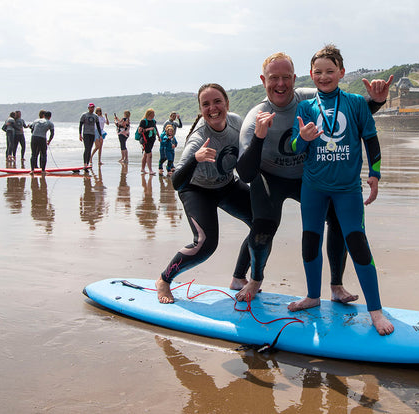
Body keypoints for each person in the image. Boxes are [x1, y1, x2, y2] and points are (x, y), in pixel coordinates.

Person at [233, 52, 392, 303]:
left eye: (286, 77)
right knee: (263, 228)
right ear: (263, 80)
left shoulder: (309, 98)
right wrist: (259, 137)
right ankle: (255, 279)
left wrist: (376, 102)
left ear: (296, 78)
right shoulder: (255, 117)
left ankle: (336, 286)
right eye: (274, 78)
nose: (281, 84)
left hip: (306, 178)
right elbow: (245, 174)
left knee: (339, 223)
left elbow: (350, 112)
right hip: (270, 177)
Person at [289, 44, 394, 335]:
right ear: (311, 75)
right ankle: (312, 296)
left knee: (358, 244)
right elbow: (296, 147)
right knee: (310, 240)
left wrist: (375, 174)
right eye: (318, 72)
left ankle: (375, 310)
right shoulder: (306, 107)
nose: (324, 77)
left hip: (347, 189)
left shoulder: (356, 104)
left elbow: (371, 140)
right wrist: (305, 139)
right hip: (313, 187)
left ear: (341, 72)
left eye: (330, 71)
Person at [155, 84, 252, 304]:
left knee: (262, 224)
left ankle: (239, 277)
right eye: (206, 104)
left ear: (226, 103)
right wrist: (195, 159)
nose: (213, 108)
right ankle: (164, 280)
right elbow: (177, 182)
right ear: (200, 108)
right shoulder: (199, 137)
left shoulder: (237, 123)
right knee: (205, 244)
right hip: (196, 190)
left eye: (217, 101)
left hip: (226, 185)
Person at [79, 103, 101, 170]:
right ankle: (85, 163)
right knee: (87, 148)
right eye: (91, 107)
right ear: (88, 108)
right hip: (86, 133)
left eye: (93, 107)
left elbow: (98, 126)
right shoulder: (84, 115)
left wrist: (100, 135)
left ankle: (87, 163)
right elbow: (80, 125)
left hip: (92, 134)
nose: (92, 109)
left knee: (90, 148)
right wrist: (79, 134)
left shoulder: (95, 116)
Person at [138, 109, 158, 175]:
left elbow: (156, 129)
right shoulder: (143, 121)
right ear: (149, 114)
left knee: (146, 154)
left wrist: (159, 136)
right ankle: (150, 170)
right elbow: (140, 131)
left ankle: (142, 169)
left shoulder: (153, 121)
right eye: (153, 114)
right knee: (149, 154)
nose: (154, 115)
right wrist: (148, 129)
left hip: (152, 139)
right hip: (145, 140)